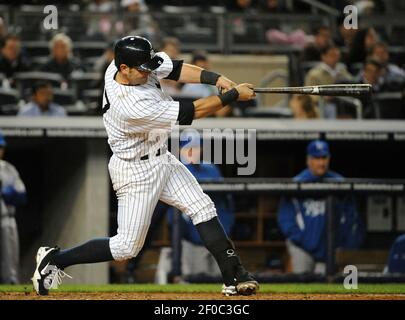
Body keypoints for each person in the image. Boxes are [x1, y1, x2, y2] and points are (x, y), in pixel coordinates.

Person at [31, 35, 258, 297]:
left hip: (161, 156)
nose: (148, 72)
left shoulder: (129, 64)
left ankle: (234, 275)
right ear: (123, 69)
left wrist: (217, 79)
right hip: (135, 170)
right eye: (142, 69)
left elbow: (175, 68)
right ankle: (56, 259)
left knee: (202, 207)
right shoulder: (130, 106)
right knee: (126, 247)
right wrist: (232, 96)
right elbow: (191, 112)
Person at [156, 132, 235, 283]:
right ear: (180, 150)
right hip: (192, 241)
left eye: (196, 147)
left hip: (218, 237)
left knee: (223, 281)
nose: (193, 151)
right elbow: (173, 215)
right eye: (188, 148)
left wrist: (227, 229)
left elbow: (226, 203)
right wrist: (184, 235)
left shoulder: (212, 170)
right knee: (195, 282)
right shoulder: (175, 170)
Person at [277, 140, 365, 274]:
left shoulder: (340, 183)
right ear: (308, 160)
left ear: (329, 158)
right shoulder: (296, 184)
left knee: (325, 288)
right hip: (302, 247)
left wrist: (346, 246)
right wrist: (304, 241)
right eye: (316, 158)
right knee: (300, 284)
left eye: (324, 158)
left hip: (329, 249)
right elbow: (286, 219)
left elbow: (352, 219)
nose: (321, 162)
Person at [0, 132, 27, 284]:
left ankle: (11, 284)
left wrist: (7, 193)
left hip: (6, 219)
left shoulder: (8, 169)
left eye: (1, 147)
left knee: (10, 260)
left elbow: (22, 196)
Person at [305, 45, 353, 118]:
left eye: (337, 55)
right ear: (323, 56)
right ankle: (331, 129)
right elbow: (309, 94)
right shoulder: (314, 74)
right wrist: (324, 97)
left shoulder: (342, 71)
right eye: (332, 55)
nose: (335, 58)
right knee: (330, 108)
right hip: (324, 104)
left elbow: (352, 83)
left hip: (343, 102)